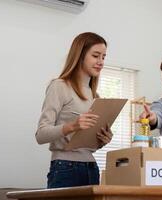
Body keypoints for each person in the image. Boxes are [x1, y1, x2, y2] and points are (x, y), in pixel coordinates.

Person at [35, 32, 113, 188]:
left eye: (103, 57)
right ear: (80, 56)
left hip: (91, 168)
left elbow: (84, 142)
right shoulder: (59, 86)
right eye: (96, 55)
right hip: (65, 168)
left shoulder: (94, 95)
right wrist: (72, 126)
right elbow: (41, 135)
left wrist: (103, 140)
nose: (100, 62)